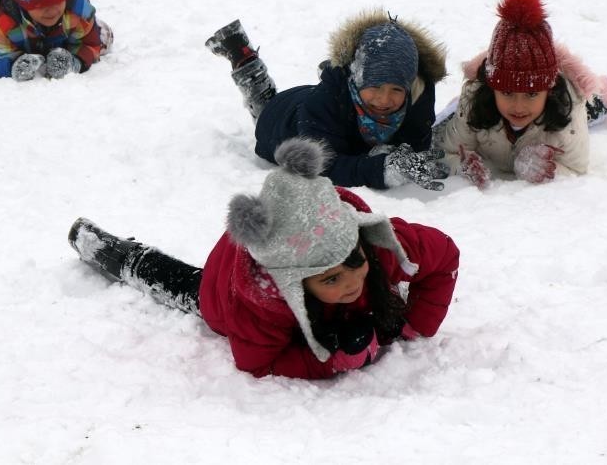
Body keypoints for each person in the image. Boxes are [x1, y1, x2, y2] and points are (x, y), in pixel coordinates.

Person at [69, 137, 460, 380]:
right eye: (330, 279)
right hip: (224, 289)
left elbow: (444, 257)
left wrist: (414, 324)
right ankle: (112, 253)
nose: (351, 282)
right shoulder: (261, 304)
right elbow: (257, 363)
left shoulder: (376, 243)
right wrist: (330, 361)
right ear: (295, 282)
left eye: (354, 263)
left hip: (286, 245)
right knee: (184, 285)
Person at [434, 0, 607, 187]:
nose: (518, 106)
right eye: (506, 92)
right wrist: (461, 166)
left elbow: (577, 168)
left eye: (531, 93)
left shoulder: (568, 109)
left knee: (592, 105)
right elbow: (446, 152)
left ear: (549, 89)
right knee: (447, 120)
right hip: (483, 109)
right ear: (492, 87)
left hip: (556, 113)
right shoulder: (474, 103)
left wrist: (545, 169)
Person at [205, 11, 450, 191]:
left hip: (330, 106)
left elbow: (416, 142)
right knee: (264, 105)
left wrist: (398, 155)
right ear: (357, 80)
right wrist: (381, 169)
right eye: (375, 86)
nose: (385, 99)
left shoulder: (418, 93)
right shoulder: (322, 104)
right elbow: (322, 167)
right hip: (283, 120)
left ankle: (335, 78)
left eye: (396, 89)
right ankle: (244, 58)